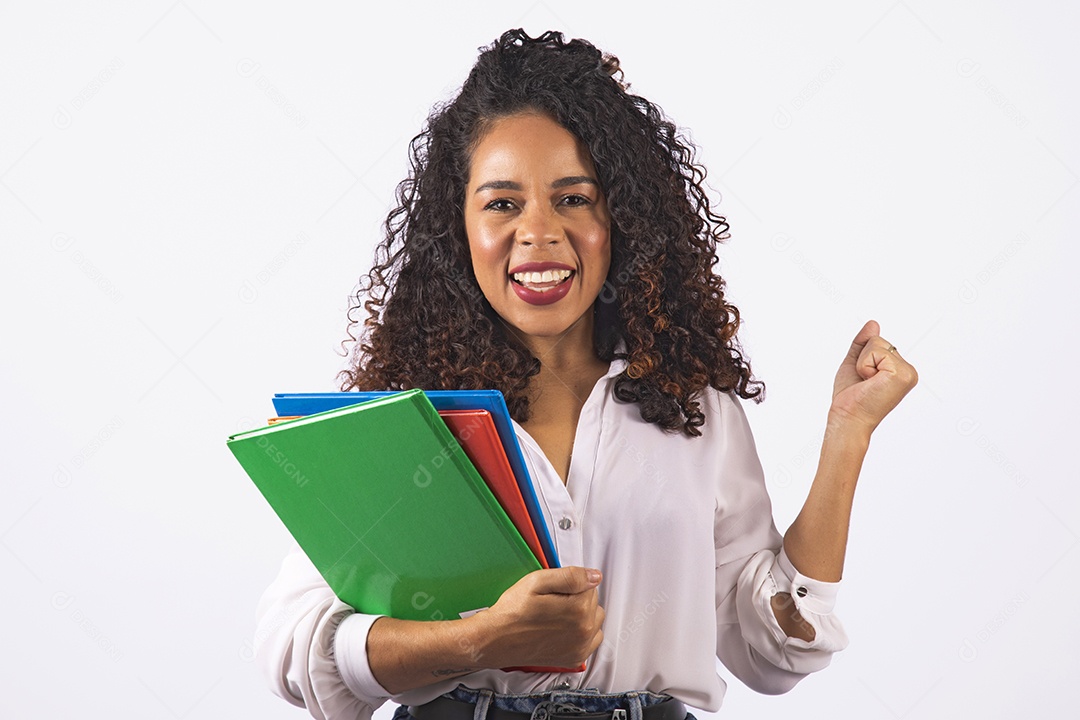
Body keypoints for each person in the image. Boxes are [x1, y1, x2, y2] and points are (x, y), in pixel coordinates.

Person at [254, 29, 918, 720]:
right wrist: (480, 639)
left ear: (621, 219)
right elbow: (296, 648)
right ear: (459, 227)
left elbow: (772, 651)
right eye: (502, 203)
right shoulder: (399, 420)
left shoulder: (693, 407)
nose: (539, 232)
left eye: (573, 198)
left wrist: (848, 435)